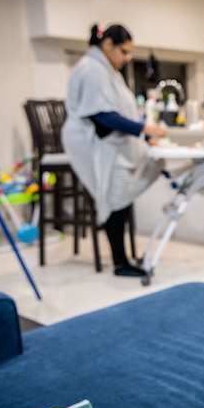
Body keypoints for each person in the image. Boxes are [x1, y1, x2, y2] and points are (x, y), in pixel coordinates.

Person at [61, 23, 167, 277]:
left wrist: (142, 134)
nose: (127, 58)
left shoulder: (107, 69)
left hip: (107, 139)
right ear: (107, 45)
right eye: (124, 51)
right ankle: (120, 263)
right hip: (91, 141)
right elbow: (102, 116)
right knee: (115, 195)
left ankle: (124, 258)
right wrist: (144, 130)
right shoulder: (91, 69)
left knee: (123, 191)